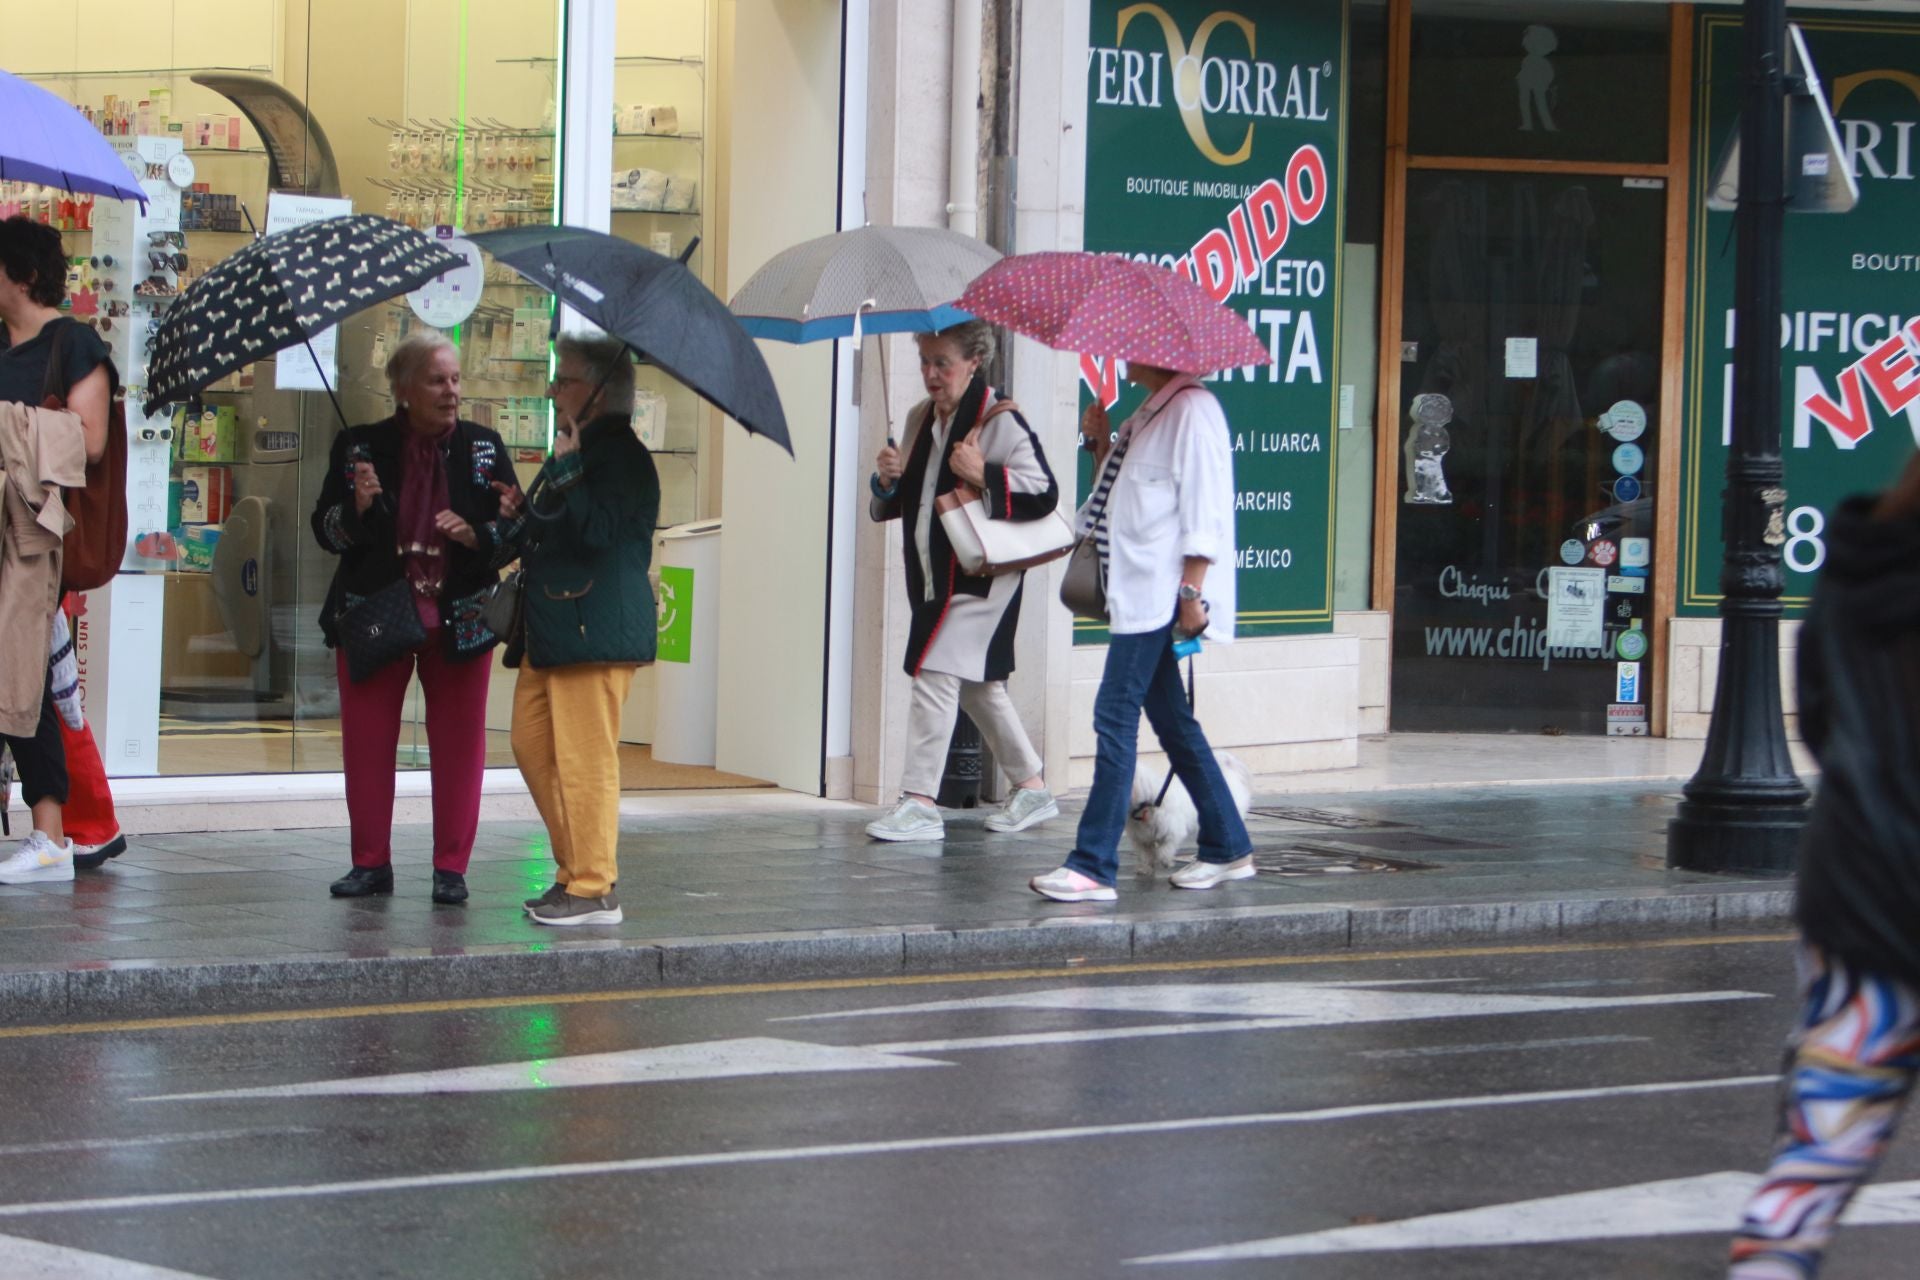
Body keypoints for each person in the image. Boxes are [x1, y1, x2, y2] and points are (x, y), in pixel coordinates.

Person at [1729, 453, 1920, 1279]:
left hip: (1862, 888)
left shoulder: (1860, 567)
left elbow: (1821, 721)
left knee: (1820, 1150)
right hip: (1869, 882)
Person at [1030, 362, 1252, 903]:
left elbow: (1205, 514)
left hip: (1160, 596)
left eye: (1132, 345)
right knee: (1174, 724)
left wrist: (1191, 594)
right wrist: (1099, 445)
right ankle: (1228, 845)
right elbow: (1125, 502)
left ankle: (1092, 863)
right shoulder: (1150, 413)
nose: (1123, 352)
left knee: (1114, 715)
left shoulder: (1193, 412)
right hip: (1137, 594)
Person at [311, 331, 517, 905]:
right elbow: (325, 531)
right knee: (367, 745)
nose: (451, 392)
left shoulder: (484, 446)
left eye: (455, 379)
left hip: (462, 616)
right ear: (403, 390)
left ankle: (451, 869)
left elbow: (511, 535)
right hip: (376, 612)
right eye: (437, 380)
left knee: (460, 747)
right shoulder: (360, 446)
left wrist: (485, 531)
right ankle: (370, 863)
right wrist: (356, 510)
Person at [866, 321, 1060, 842]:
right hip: (936, 573)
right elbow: (900, 503)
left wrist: (984, 473)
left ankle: (920, 801)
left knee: (933, 669)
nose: (931, 373)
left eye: (942, 362)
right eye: (925, 361)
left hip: (982, 576)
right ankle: (1033, 786)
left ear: (974, 361)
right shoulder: (916, 418)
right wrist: (886, 480)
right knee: (975, 686)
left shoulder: (1000, 420)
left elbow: (1044, 493)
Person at [501, 334, 658, 927]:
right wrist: (524, 510)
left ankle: (593, 887)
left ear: (595, 392)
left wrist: (566, 475)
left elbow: (599, 533)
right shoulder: (580, 447)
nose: (551, 389)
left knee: (585, 759)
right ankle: (575, 869)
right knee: (533, 745)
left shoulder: (623, 458)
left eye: (562, 380)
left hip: (593, 627)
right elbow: (563, 528)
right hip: (557, 626)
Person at [0, 216, 110, 884]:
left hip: (29, 537)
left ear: (25, 274)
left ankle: (49, 836)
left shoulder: (73, 344)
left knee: (22, 674)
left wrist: (7, 426)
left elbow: (89, 439)